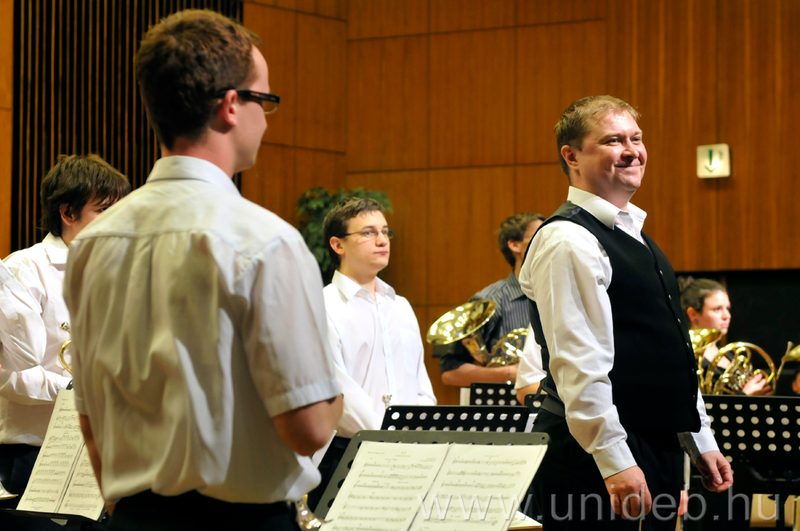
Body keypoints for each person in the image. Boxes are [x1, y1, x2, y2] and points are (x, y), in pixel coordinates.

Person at [62, 10, 342, 531]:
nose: (266, 118)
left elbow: (90, 418)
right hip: (242, 524)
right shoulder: (265, 241)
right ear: (231, 105)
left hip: (133, 519)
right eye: (265, 100)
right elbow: (308, 429)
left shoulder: (92, 245)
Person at [519, 95, 732, 530]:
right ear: (572, 156)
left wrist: (699, 438)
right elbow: (579, 361)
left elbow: (667, 354)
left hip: (651, 445)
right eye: (614, 141)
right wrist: (614, 458)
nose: (632, 151)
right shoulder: (568, 240)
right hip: (598, 456)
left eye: (636, 138)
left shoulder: (633, 233)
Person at [0, 154, 129, 530]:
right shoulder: (23, 270)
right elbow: (11, 377)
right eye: (103, 210)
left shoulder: (121, 273)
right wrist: (83, 391)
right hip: (34, 454)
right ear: (68, 212)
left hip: (105, 452)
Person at [321, 197, 436, 437]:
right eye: (368, 233)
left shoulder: (401, 306)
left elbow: (421, 386)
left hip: (410, 444)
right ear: (338, 245)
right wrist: (387, 436)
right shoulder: (324, 306)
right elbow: (339, 393)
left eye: (384, 231)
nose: (383, 240)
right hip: (353, 445)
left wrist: (420, 432)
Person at [437, 213, 544, 387]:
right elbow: (451, 372)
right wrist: (511, 373)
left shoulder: (561, 295)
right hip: (508, 402)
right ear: (514, 245)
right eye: (539, 237)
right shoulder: (488, 301)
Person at [680, 277, 771, 395]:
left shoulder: (729, 354)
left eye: (727, 308)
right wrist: (746, 395)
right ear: (693, 314)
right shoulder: (688, 359)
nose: (726, 316)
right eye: (717, 309)